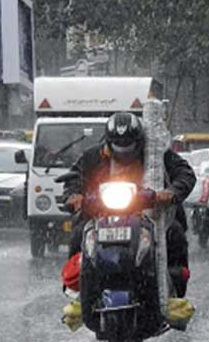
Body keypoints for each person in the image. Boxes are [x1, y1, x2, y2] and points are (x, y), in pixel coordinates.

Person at [64, 112, 196, 297]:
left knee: (175, 234)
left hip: (150, 213)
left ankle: (175, 292)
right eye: (118, 146)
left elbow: (185, 173)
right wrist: (74, 195)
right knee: (79, 232)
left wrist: (172, 192)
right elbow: (75, 177)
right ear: (108, 142)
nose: (123, 152)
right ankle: (75, 288)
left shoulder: (157, 155)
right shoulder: (92, 156)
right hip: (101, 214)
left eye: (129, 146)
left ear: (139, 141)